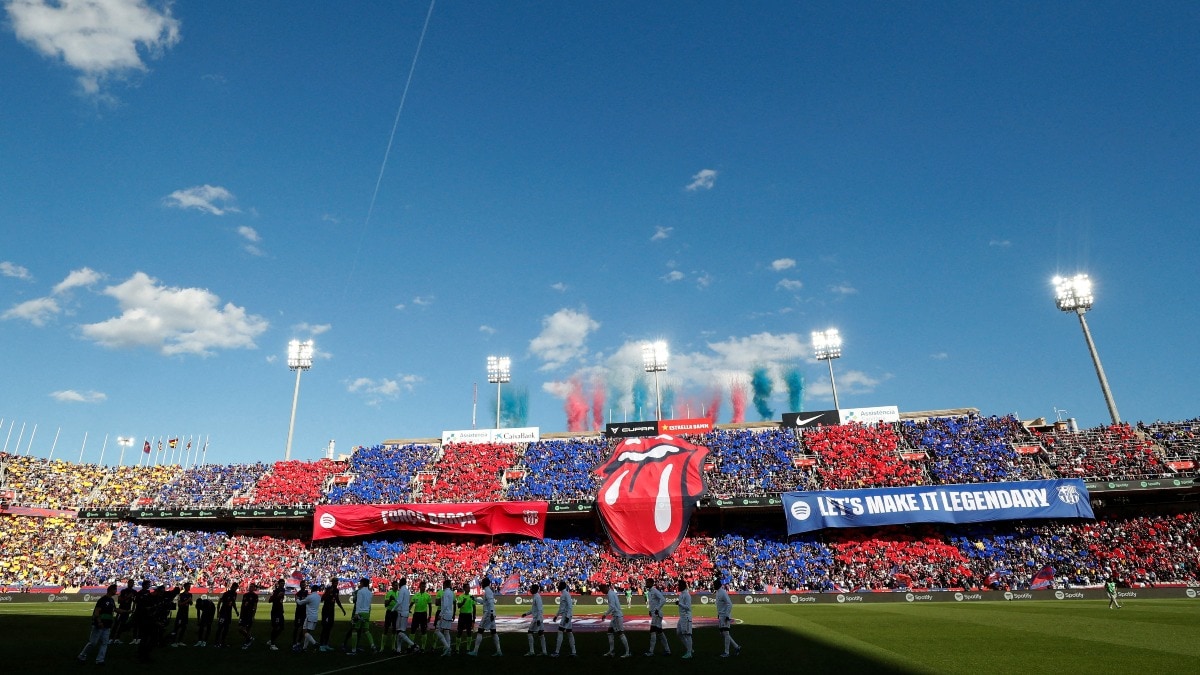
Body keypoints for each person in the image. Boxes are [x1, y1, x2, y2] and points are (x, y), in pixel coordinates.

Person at [77, 583, 118, 665]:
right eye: (115, 589)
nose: (116, 591)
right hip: (99, 625)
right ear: (111, 590)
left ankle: (100, 660)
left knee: (104, 643)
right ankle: (82, 655)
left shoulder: (111, 600)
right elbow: (97, 612)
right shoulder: (102, 600)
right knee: (93, 642)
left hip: (107, 625)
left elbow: (115, 610)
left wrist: (126, 611)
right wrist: (99, 621)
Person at [468, 576, 501, 657]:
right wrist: (475, 599)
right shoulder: (488, 591)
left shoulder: (488, 591)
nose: (481, 584)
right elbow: (485, 602)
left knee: (480, 631)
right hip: (490, 613)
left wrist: (492, 613)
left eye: (482, 583)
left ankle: (475, 651)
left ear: (484, 583)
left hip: (488, 614)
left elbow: (491, 603)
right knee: (493, 632)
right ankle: (499, 651)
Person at [347, 577, 377, 655]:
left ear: (363, 583)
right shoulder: (370, 593)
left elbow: (358, 603)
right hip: (367, 613)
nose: (359, 584)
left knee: (354, 630)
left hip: (360, 613)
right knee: (366, 630)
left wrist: (356, 613)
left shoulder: (360, 592)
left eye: (360, 583)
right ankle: (373, 646)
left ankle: (353, 650)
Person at [600, 582, 631, 658]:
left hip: (617, 616)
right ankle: (611, 651)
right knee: (610, 632)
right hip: (615, 616)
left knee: (620, 633)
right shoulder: (611, 593)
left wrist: (605, 614)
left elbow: (612, 607)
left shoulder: (610, 594)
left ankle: (627, 652)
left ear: (605, 588)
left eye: (602, 590)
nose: (602, 592)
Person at [712, 578, 741, 657]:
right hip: (721, 615)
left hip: (725, 616)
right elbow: (720, 605)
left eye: (714, 585)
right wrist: (719, 614)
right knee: (723, 633)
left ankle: (727, 652)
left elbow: (729, 604)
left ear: (718, 585)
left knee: (726, 633)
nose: (713, 586)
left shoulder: (723, 593)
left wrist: (727, 615)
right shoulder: (718, 592)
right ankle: (736, 647)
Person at [318, 577, 347, 652]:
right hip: (326, 611)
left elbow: (337, 600)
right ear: (332, 582)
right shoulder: (328, 589)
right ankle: (321, 645)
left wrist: (342, 609)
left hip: (331, 611)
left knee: (329, 627)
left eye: (337, 582)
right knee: (325, 627)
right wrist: (327, 593)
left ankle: (326, 644)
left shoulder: (337, 590)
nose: (336, 583)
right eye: (335, 582)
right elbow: (322, 599)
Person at [644, 578, 672, 656]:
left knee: (652, 631)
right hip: (654, 614)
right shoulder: (649, 592)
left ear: (651, 583)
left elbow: (663, 600)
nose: (646, 583)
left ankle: (651, 651)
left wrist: (657, 609)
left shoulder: (655, 591)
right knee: (659, 632)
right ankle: (667, 650)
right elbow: (652, 603)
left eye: (647, 582)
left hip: (657, 614)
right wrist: (650, 610)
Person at [392, 576, 418, 654]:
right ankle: (398, 649)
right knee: (400, 631)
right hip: (405, 612)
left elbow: (399, 602)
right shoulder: (407, 591)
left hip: (401, 613)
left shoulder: (401, 591)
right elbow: (403, 601)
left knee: (399, 632)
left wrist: (393, 609)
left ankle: (413, 645)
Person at [293, 582, 322, 652]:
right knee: (308, 632)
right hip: (315, 617)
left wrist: (296, 598)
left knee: (304, 632)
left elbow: (300, 603)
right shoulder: (319, 597)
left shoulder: (310, 597)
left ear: (312, 589)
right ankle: (304, 648)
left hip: (309, 617)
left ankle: (315, 643)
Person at [551, 579, 576, 657]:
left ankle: (557, 652)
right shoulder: (563, 594)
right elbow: (561, 607)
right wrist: (556, 616)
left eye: (559, 585)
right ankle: (574, 652)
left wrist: (568, 616)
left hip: (566, 616)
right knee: (569, 632)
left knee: (560, 631)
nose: (558, 587)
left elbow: (569, 606)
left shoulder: (566, 594)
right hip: (566, 615)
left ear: (562, 586)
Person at [521, 582, 547, 656]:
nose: (530, 590)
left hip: (537, 619)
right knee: (541, 634)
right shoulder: (536, 596)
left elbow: (539, 609)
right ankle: (544, 651)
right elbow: (534, 609)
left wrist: (538, 619)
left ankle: (532, 651)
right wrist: (526, 614)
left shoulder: (537, 597)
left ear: (534, 589)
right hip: (539, 618)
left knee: (530, 633)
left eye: (531, 588)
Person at [109, 579, 137, 644]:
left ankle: (117, 638)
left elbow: (135, 601)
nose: (131, 584)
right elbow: (119, 601)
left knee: (122, 625)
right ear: (128, 583)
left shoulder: (134, 592)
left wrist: (133, 609)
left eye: (132, 583)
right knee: (116, 624)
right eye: (130, 583)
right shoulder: (124, 591)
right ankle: (110, 638)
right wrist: (127, 597)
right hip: (121, 609)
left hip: (127, 610)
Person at [213, 581, 239, 648]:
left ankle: (222, 642)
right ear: (232, 587)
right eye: (235, 588)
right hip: (223, 612)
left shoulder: (235, 594)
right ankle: (216, 642)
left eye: (236, 588)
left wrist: (236, 611)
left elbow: (233, 603)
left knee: (226, 628)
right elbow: (219, 602)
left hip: (228, 613)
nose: (235, 589)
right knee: (220, 627)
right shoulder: (226, 593)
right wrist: (218, 612)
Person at [435, 578, 456, 655]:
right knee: (446, 632)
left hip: (445, 614)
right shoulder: (451, 593)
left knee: (437, 630)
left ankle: (447, 647)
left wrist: (440, 614)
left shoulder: (445, 593)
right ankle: (448, 650)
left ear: (445, 585)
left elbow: (445, 605)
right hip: (450, 613)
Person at [168, 582, 193, 647]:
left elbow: (191, 604)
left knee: (184, 627)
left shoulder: (190, 594)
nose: (189, 587)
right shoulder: (181, 595)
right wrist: (187, 601)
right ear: (185, 587)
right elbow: (179, 605)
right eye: (188, 586)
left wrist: (190, 602)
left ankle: (179, 641)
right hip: (180, 613)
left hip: (186, 613)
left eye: (190, 586)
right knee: (176, 628)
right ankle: (173, 642)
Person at [411, 580, 433, 652]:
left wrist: (429, 616)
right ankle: (411, 645)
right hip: (416, 614)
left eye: (424, 586)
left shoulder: (427, 595)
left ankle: (423, 647)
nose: (423, 588)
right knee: (413, 630)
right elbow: (411, 604)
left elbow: (430, 606)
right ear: (419, 587)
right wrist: (408, 609)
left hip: (423, 614)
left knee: (423, 631)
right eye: (422, 586)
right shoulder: (415, 595)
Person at [455, 582, 476, 654]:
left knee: (469, 632)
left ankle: (468, 648)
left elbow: (474, 607)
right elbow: (459, 606)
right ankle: (457, 648)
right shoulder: (461, 596)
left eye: (469, 587)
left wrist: (474, 618)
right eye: (467, 587)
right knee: (459, 631)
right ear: (464, 589)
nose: (469, 589)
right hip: (462, 615)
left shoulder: (471, 596)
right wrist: (463, 602)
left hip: (469, 616)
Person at [675, 578, 693, 659]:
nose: (678, 586)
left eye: (679, 585)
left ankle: (689, 652)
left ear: (683, 586)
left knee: (687, 634)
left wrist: (679, 604)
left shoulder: (687, 595)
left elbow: (688, 607)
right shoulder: (681, 594)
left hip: (686, 616)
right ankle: (690, 648)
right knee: (679, 632)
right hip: (682, 617)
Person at [267, 579, 286, 650]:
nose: (283, 584)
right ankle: (272, 644)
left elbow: (280, 601)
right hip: (275, 611)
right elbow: (270, 600)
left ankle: (272, 640)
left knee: (281, 627)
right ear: (278, 584)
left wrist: (282, 608)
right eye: (281, 583)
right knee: (276, 627)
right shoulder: (276, 591)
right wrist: (277, 595)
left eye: (283, 583)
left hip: (280, 611)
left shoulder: (283, 590)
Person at [381, 580, 400, 653]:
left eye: (397, 585)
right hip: (389, 612)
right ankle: (382, 646)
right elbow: (385, 604)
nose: (396, 586)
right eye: (395, 585)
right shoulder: (389, 593)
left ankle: (393, 646)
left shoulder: (399, 593)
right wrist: (390, 600)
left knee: (394, 629)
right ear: (392, 586)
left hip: (396, 612)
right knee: (386, 628)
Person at [291, 579, 309, 648]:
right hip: (299, 612)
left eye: (304, 585)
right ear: (300, 586)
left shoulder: (307, 593)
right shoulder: (298, 593)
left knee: (303, 627)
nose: (303, 586)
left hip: (305, 612)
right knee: (296, 627)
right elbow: (298, 602)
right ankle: (294, 642)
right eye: (302, 585)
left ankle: (299, 641)